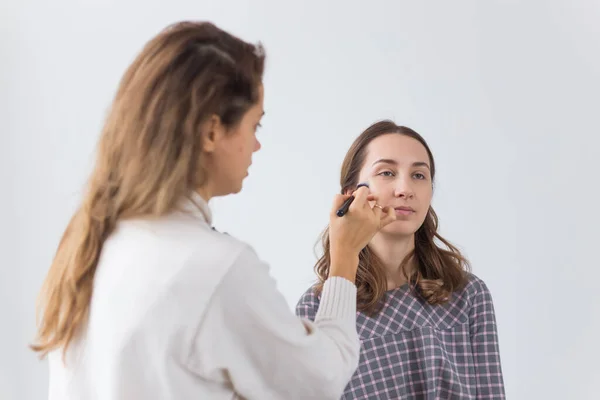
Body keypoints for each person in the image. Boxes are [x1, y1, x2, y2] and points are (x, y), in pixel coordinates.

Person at [30, 22, 397, 400]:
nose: (256, 145)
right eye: (254, 125)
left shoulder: (92, 243)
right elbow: (320, 382)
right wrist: (345, 258)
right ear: (211, 132)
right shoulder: (214, 268)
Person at [296, 120, 506, 399]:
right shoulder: (317, 310)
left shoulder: (467, 294)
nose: (405, 188)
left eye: (419, 175)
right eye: (387, 172)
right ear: (351, 192)